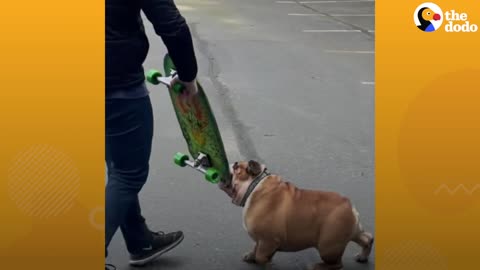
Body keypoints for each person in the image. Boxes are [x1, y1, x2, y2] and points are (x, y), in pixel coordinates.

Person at [105, 0, 198, 269]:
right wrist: (188, 74)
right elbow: (171, 24)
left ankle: (139, 241)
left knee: (119, 167)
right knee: (129, 173)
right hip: (116, 86)